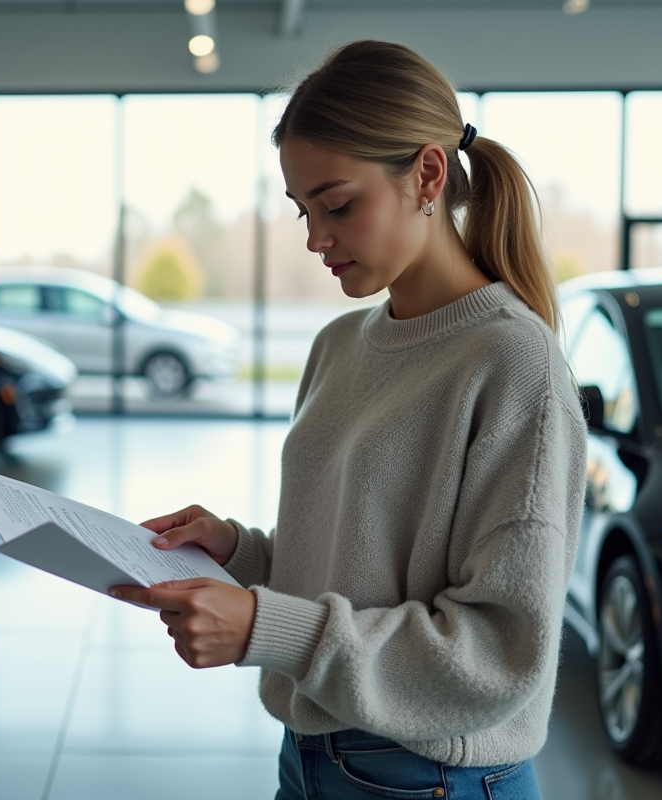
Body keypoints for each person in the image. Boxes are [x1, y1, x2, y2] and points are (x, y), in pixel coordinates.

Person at [109, 40, 587, 800]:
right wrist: (236, 552)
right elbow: (350, 566)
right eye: (303, 210)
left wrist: (264, 626)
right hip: (311, 754)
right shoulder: (340, 344)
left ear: (427, 175)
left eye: (337, 205)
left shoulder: (512, 363)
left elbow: (499, 652)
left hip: (430, 775)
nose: (314, 238)